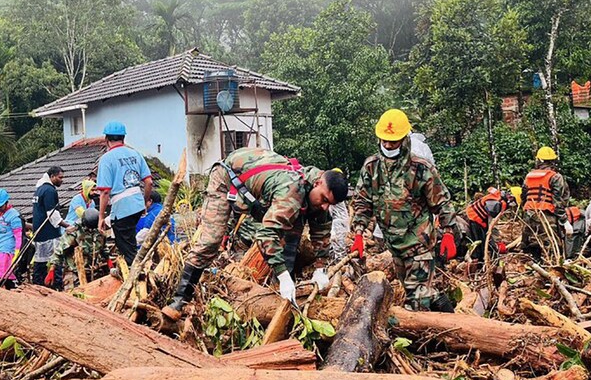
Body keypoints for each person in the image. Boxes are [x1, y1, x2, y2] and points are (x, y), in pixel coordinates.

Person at [161, 147, 349, 321]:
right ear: (317, 183)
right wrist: (284, 276)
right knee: (212, 240)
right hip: (228, 176)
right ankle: (179, 299)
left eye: (329, 204)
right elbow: (266, 234)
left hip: (263, 184)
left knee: (291, 240)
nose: (324, 206)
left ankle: (281, 300)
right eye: (324, 199)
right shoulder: (291, 192)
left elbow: (321, 230)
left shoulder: (317, 194)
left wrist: (320, 268)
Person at [350, 109, 458, 312]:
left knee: (415, 304)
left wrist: (449, 233)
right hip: (395, 245)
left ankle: (426, 339)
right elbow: (363, 202)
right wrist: (358, 232)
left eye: (394, 141)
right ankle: (444, 307)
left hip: (419, 243)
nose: (389, 146)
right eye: (385, 141)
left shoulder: (420, 168)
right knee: (415, 290)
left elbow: (442, 202)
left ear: (405, 139)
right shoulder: (371, 168)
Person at [96, 121, 153, 266]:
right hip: (137, 205)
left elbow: (105, 192)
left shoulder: (106, 159)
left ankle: (135, 275)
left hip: (122, 209)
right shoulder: (135, 154)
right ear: (123, 138)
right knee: (130, 241)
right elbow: (149, 182)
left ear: (106, 139)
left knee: (127, 250)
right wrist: (145, 202)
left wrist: (101, 216)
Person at [521, 146, 570, 261]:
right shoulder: (556, 177)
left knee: (532, 244)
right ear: (553, 161)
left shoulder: (529, 176)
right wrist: (564, 220)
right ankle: (553, 268)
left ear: (539, 160)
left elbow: (524, 197)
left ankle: (535, 266)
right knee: (553, 245)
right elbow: (557, 202)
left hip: (529, 214)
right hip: (546, 215)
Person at [32, 166, 75, 289]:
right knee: (54, 261)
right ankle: (56, 288)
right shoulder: (50, 191)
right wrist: (67, 226)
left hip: (39, 232)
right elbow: (52, 214)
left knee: (40, 261)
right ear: (52, 177)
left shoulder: (39, 189)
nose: (62, 180)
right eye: (60, 177)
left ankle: (37, 285)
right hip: (49, 233)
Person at [45, 208, 110, 288]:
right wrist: (52, 269)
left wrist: (108, 261)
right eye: (89, 228)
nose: (91, 230)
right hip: (74, 272)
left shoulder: (99, 234)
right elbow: (59, 251)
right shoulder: (74, 233)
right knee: (73, 294)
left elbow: (103, 249)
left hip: (93, 271)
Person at [462, 187, 516, 261]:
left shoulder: (497, 198)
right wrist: (497, 242)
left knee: (483, 240)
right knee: (480, 242)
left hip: (478, 218)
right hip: (474, 218)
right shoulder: (496, 204)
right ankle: (479, 261)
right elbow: (491, 225)